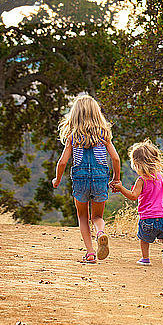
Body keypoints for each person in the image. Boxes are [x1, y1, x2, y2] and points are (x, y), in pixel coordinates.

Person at [52, 95, 120, 264]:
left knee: (82, 216)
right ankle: (100, 232)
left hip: (80, 178)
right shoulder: (104, 135)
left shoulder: (73, 137)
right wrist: (116, 178)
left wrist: (57, 179)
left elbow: (62, 162)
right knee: (97, 216)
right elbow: (116, 159)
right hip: (100, 177)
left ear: (75, 115)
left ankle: (90, 253)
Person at [111, 140, 163, 266]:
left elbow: (133, 196)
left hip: (148, 219)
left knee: (144, 239)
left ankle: (145, 258)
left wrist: (121, 188)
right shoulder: (159, 175)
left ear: (137, 164)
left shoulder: (141, 180)